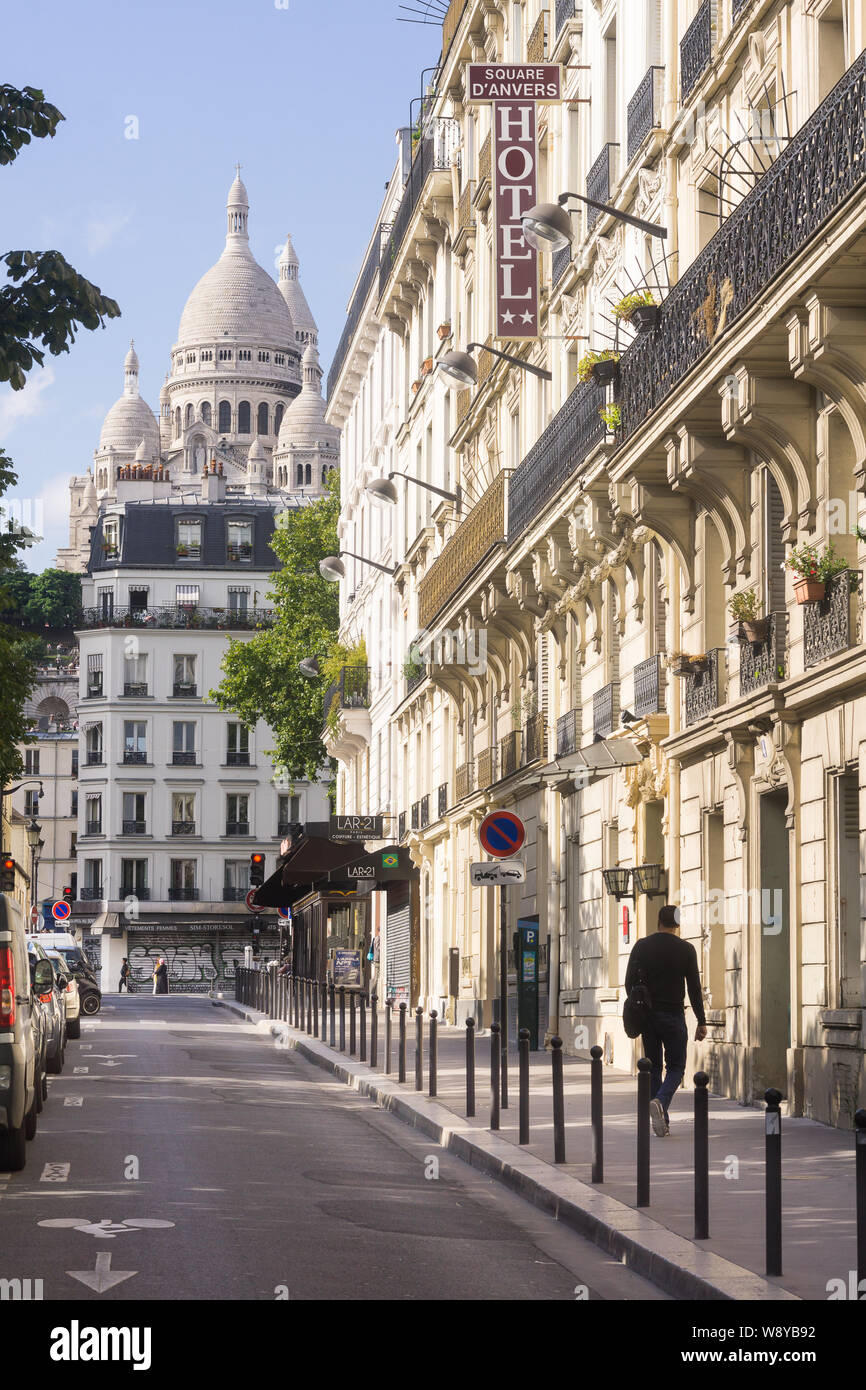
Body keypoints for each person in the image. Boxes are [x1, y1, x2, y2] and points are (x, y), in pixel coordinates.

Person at [624, 904, 707, 1136]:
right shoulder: (687, 949)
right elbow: (694, 988)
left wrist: (640, 1005)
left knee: (653, 1068)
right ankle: (660, 1102)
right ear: (677, 925)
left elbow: (629, 982)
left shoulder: (641, 946)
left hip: (648, 1017)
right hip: (673, 1016)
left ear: (658, 922)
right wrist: (701, 1020)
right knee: (677, 1067)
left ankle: (661, 1120)